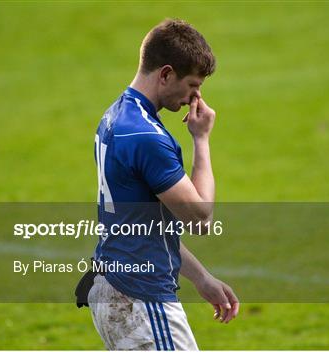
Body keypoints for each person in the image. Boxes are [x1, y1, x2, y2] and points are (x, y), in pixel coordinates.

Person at [87, 18, 239, 350]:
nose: (195, 97)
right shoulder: (146, 137)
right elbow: (199, 218)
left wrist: (201, 278)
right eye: (193, 85)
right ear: (166, 74)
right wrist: (201, 140)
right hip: (140, 299)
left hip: (114, 286)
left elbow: (146, 226)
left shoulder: (114, 117)